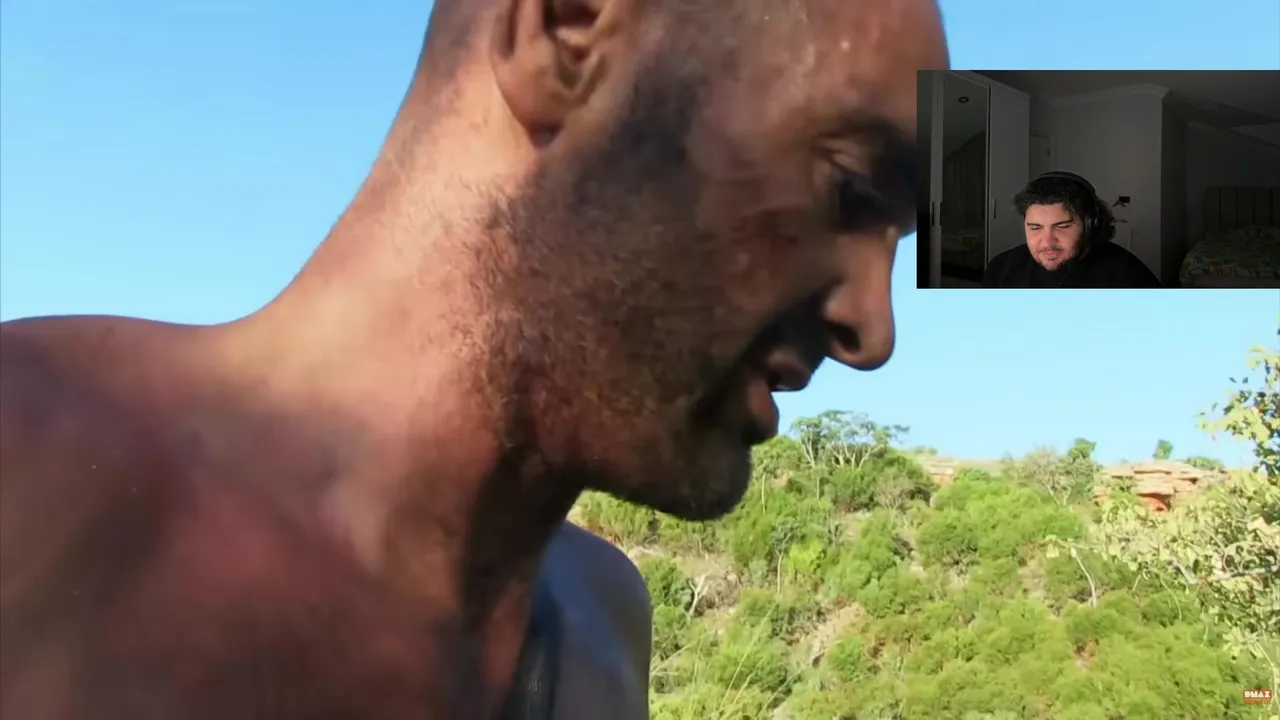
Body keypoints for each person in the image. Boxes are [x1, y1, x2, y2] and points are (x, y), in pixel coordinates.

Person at [0, 0, 948, 716]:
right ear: (566, 35)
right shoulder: (31, 474)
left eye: (900, 240)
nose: (875, 331)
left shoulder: (605, 632)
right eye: (850, 189)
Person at [983, 171, 1163, 289]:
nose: (1047, 242)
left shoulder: (1127, 274)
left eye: (1062, 226)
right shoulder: (1001, 269)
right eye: (1035, 228)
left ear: (1090, 224)